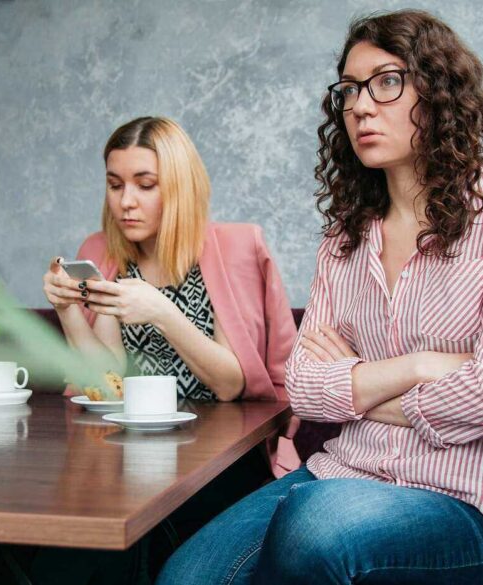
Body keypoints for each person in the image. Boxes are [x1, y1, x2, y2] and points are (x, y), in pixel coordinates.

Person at [157, 10, 483, 584]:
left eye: (386, 82)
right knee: (185, 575)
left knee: (317, 527)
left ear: (438, 92)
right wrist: (418, 367)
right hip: (342, 471)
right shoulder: (345, 239)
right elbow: (305, 386)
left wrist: (361, 384)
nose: (360, 105)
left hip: (459, 495)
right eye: (350, 90)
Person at [38, 116, 298, 583]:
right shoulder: (101, 251)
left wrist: (160, 310)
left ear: (178, 187)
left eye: (145, 184)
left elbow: (229, 383)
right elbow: (106, 380)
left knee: (139, 542)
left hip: (220, 458)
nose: (126, 202)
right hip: (126, 455)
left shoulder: (232, 248)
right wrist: (68, 311)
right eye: (115, 185)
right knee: (75, 547)